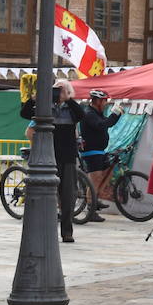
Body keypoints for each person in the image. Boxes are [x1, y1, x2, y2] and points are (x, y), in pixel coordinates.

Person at [18, 78, 88, 242]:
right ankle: (43, 230)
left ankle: (66, 232)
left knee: (68, 195)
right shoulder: (44, 107)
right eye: (55, 89)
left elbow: (81, 115)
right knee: (43, 195)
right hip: (46, 156)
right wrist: (36, 98)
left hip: (67, 157)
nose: (58, 93)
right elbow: (24, 113)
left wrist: (68, 99)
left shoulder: (71, 109)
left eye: (61, 90)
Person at [78, 89, 122, 218]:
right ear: (97, 101)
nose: (106, 104)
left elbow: (107, 123)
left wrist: (116, 114)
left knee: (107, 172)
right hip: (91, 151)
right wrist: (115, 113)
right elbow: (103, 125)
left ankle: (95, 199)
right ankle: (91, 207)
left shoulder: (97, 112)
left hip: (99, 150)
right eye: (104, 101)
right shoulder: (89, 113)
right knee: (95, 179)